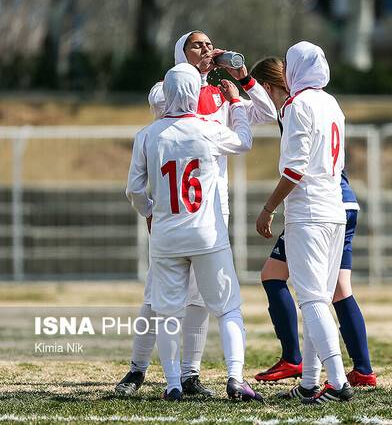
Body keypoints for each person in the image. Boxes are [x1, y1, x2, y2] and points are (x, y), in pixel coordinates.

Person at [115, 30, 276, 398]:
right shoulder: (169, 89)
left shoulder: (220, 93)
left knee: (201, 299)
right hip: (178, 207)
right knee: (158, 297)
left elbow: (266, 113)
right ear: (180, 54)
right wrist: (197, 77)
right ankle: (137, 369)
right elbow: (169, 101)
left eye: (208, 45)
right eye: (196, 46)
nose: (205, 50)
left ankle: (188, 375)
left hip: (211, 205)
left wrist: (242, 78)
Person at [249, 57, 376, 387]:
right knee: (322, 295)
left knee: (313, 300)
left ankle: (335, 381)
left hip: (310, 212)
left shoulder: (297, 104)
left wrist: (267, 208)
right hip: (335, 208)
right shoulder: (330, 102)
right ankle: (309, 382)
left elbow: (294, 170)